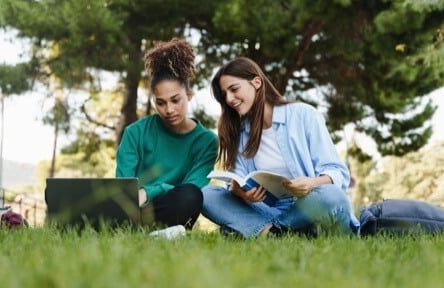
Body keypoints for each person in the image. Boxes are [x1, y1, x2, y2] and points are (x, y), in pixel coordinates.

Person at [202, 57, 359, 238]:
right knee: (207, 194)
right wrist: (242, 193)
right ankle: (284, 232)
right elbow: (235, 182)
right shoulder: (239, 133)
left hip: (307, 205)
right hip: (266, 209)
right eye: (224, 95)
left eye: (234, 89)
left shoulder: (303, 115)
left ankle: (266, 231)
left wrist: (311, 183)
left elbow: (338, 172)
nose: (229, 99)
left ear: (257, 82)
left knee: (331, 196)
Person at [115, 38, 218, 232]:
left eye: (175, 100)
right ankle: (140, 230)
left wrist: (149, 191)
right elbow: (123, 187)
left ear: (189, 95)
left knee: (191, 196)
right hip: (133, 209)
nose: (169, 109)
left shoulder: (207, 142)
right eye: (160, 103)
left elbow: (193, 186)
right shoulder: (135, 133)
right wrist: (136, 198)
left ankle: (145, 231)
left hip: (170, 208)